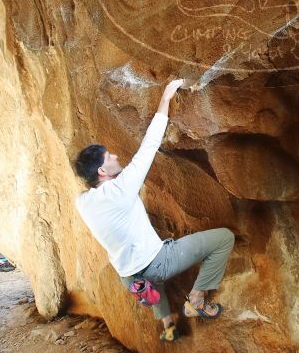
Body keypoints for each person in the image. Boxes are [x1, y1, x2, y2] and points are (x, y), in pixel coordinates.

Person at [74, 79, 235, 343]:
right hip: (155, 265)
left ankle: (168, 323)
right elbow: (149, 146)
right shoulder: (121, 189)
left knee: (145, 267)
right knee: (224, 238)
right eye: (109, 158)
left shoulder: (83, 201)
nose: (115, 157)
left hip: (129, 275)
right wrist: (166, 96)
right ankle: (197, 299)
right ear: (102, 172)